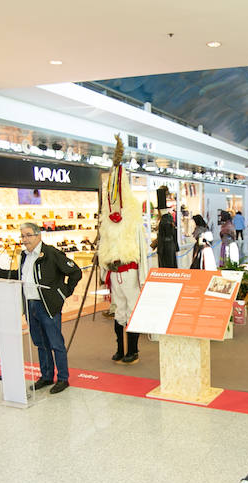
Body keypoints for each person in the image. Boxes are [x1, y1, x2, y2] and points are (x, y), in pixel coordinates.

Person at [0, 222, 82, 393]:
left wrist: (63, 293)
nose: (24, 239)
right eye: (22, 236)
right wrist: (1, 273)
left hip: (47, 306)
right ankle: (46, 376)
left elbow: (75, 272)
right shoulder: (24, 255)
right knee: (40, 343)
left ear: (38, 235)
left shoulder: (51, 253)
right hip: (31, 305)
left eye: (28, 235)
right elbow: (20, 275)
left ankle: (63, 378)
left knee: (56, 344)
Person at [97, 135, 149, 364]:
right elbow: (103, 246)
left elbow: (142, 250)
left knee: (132, 309)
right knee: (118, 310)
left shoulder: (134, 222)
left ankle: (133, 350)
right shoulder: (106, 222)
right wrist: (103, 270)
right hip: (114, 272)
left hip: (130, 272)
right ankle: (121, 348)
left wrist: (143, 277)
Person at [155, 186, 178, 269]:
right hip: (167, 247)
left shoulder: (165, 219)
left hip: (166, 248)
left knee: (167, 269)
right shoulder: (167, 218)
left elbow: (166, 235)